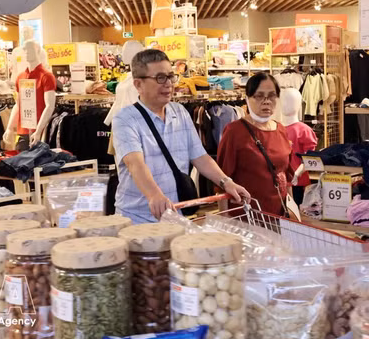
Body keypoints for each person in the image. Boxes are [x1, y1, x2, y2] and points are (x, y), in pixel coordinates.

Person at [112, 49, 250, 223]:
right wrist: (154, 195)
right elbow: (135, 163)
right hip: (137, 218)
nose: (168, 83)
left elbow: (200, 157)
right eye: (160, 78)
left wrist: (226, 182)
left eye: (171, 76)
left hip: (175, 214)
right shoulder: (125, 119)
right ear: (138, 84)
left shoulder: (180, 112)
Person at [217, 73, 294, 215]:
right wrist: (224, 217)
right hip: (247, 216)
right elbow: (222, 179)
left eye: (272, 95)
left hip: (280, 215)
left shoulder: (281, 130)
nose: (266, 101)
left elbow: (287, 176)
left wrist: (293, 211)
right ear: (248, 98)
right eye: (259, 96)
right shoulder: (234, 131)